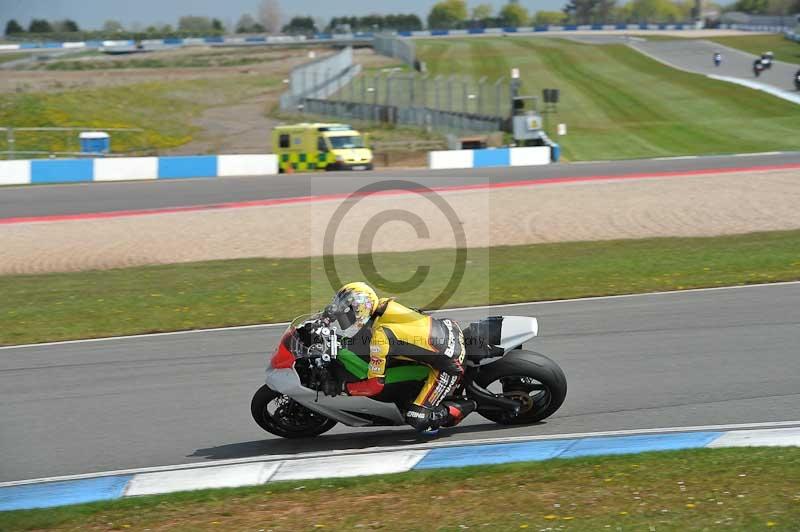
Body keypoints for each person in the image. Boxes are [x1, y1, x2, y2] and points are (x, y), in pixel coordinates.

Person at [323, 282, 476, 433]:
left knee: (418, 418)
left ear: (360, 307)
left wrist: (343, 388)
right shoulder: (384, 305)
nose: (345, 315)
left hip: (450, 363)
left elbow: (375, 385)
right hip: (447, 329)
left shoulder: (380, 337)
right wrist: (326, 318)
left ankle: (472, 404)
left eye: (348, 311)